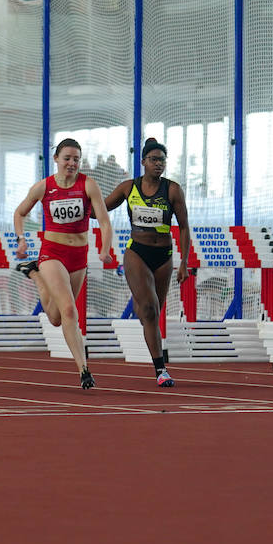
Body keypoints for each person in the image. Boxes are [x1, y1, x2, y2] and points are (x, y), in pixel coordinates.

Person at [11, 138, 115, 389]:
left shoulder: (88, 185)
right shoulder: (43, 187)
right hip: (52, 252)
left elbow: (104, 221)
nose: (71, 163)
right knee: (69, 310)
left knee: (57, 318)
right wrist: (22, 239)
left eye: (76, 159)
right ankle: (84, 370)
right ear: (56, 159)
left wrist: (104, 249)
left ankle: (35, 276)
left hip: (78, 256)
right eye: (67, 158)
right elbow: (19, 213)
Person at [102, 137, 193, 387]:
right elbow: (99, 208)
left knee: (150, 313)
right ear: (143, 161)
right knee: (151, 310)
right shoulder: (128, 188)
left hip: (164, 256)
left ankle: (139, 301)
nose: (158, 164)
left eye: (162, 160)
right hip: (137, 252)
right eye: (153, 160)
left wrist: (184, 262)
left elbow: (184, 227)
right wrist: (80, 198)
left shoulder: (172, 190)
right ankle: (160, 369)